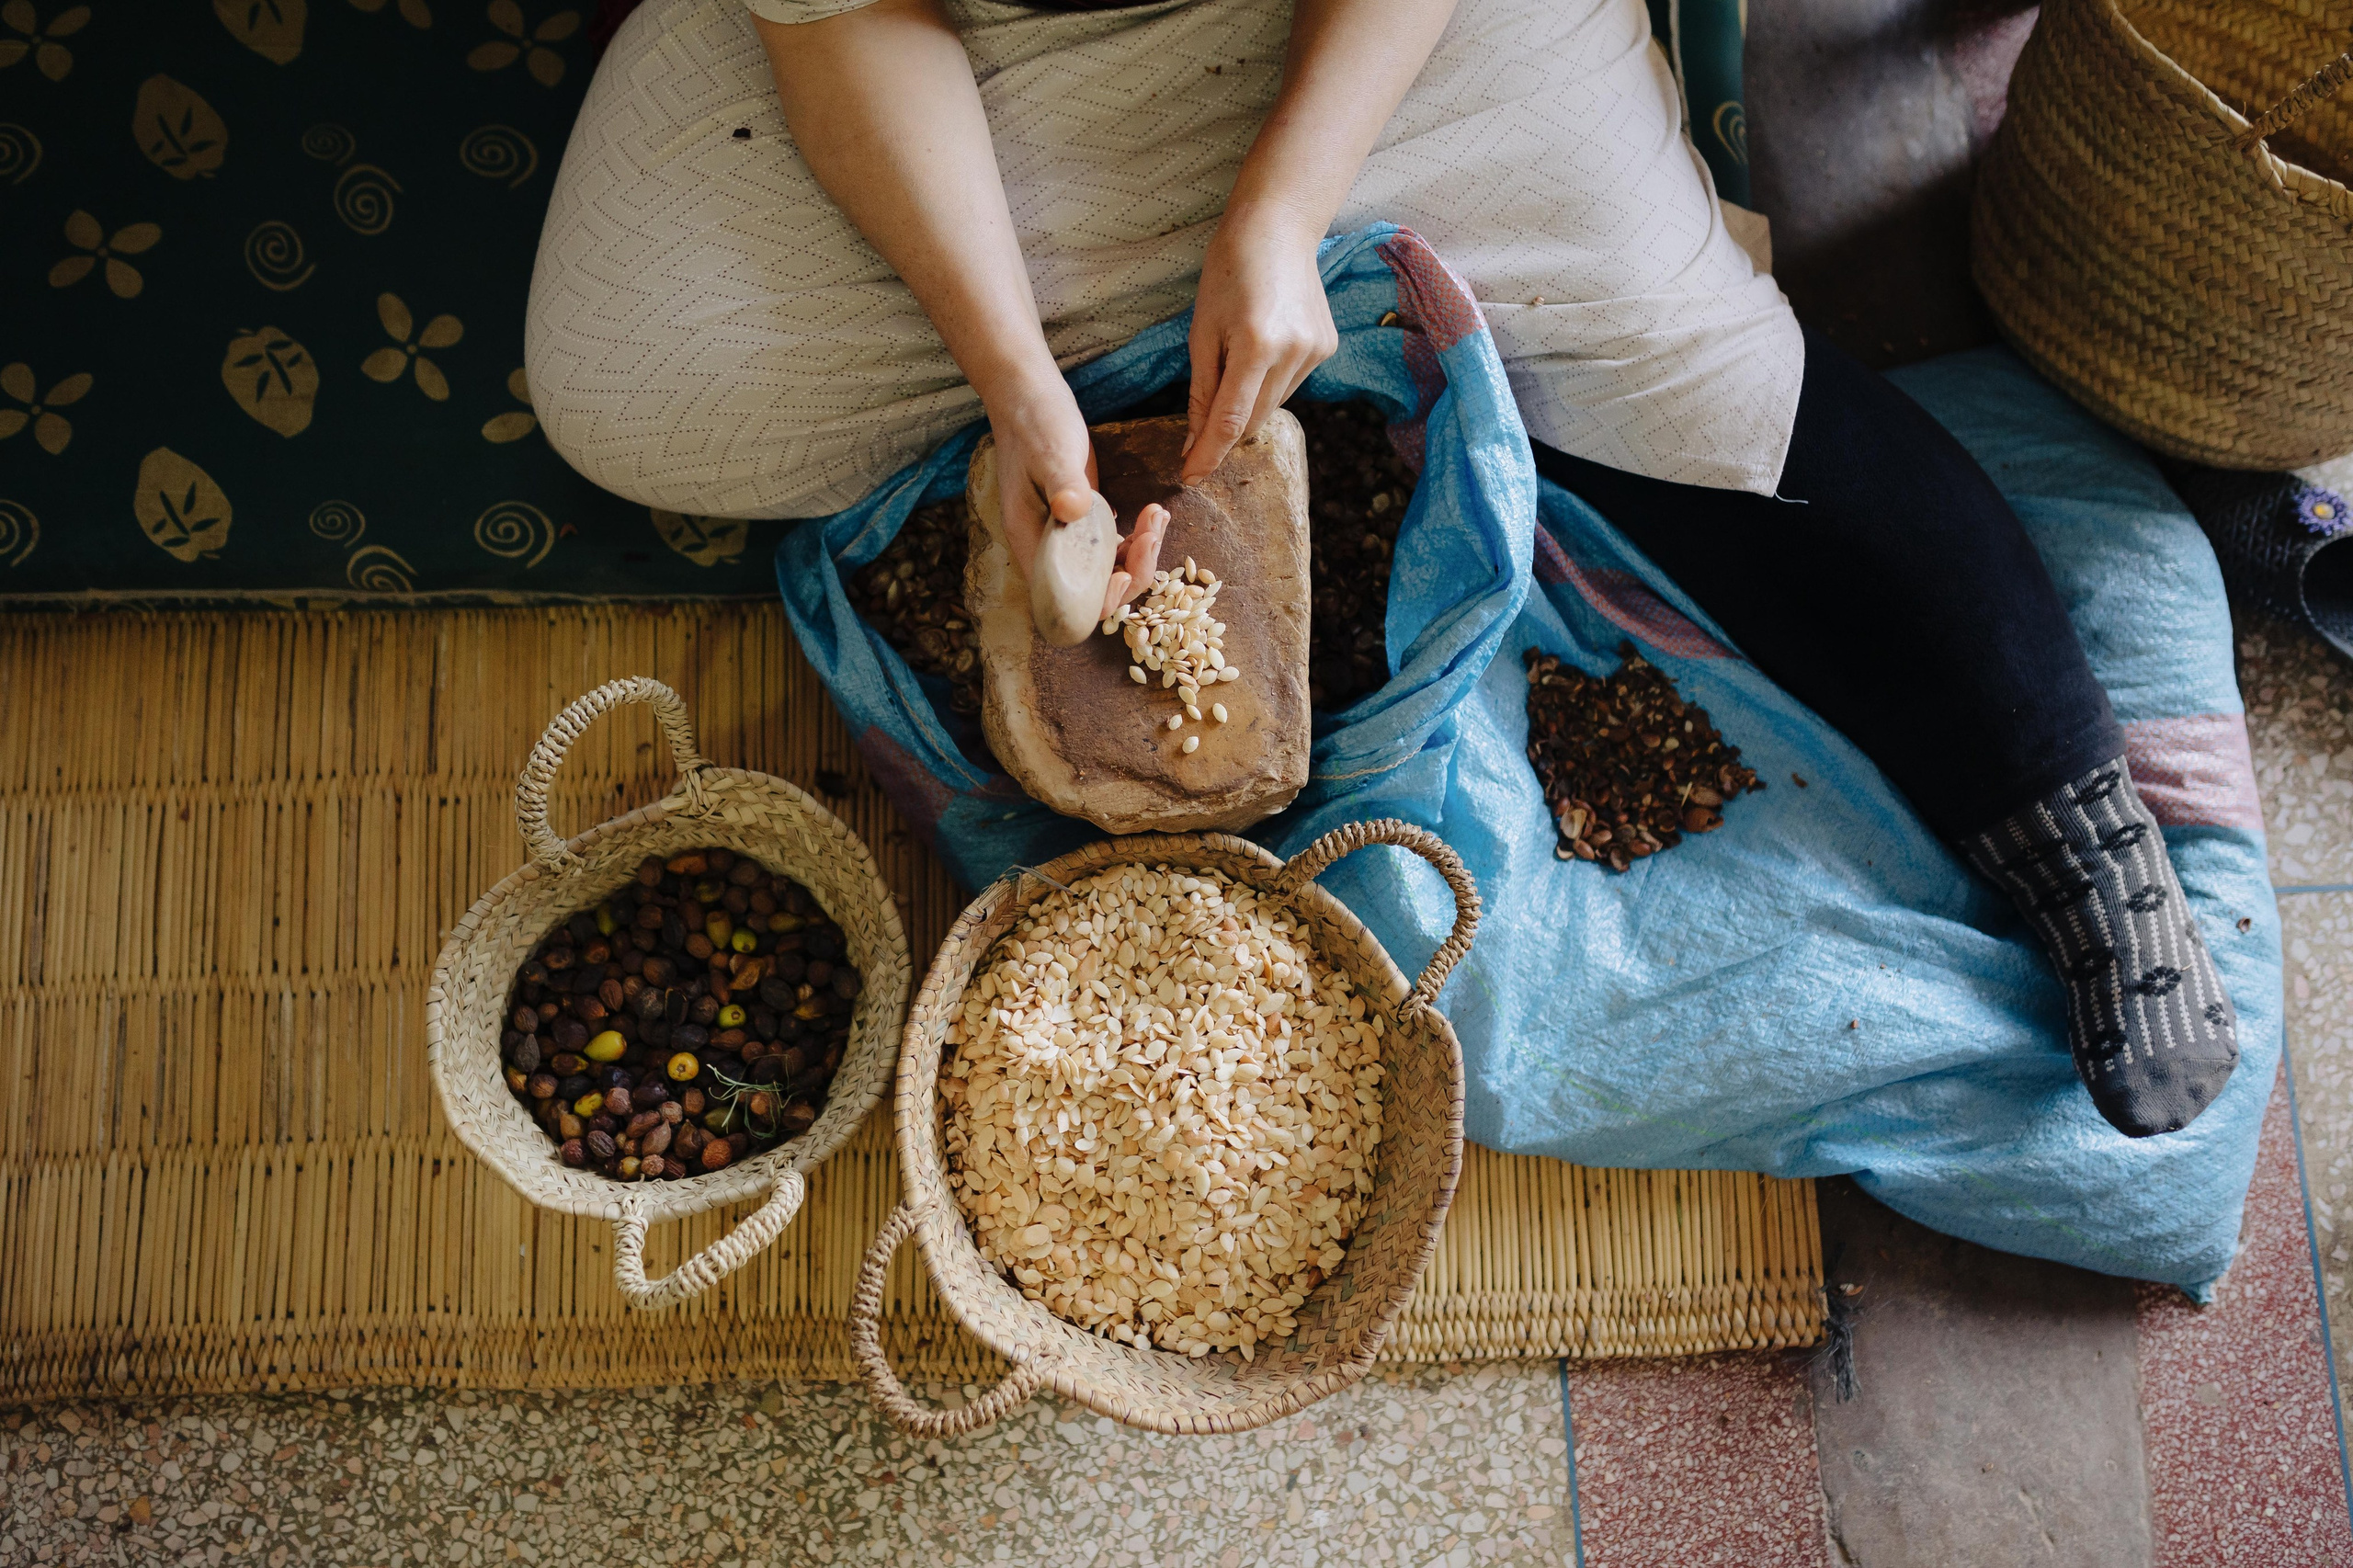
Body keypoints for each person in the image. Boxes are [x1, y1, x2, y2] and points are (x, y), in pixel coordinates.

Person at [525, 0, 2238, 1138]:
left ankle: (2071, 817)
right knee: (630, 378)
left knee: (1691, 373)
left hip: (1386, 39)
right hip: (997, 54)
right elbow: (843, 26)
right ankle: (1330, 316)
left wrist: (1278, 211)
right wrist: (1012, 379)